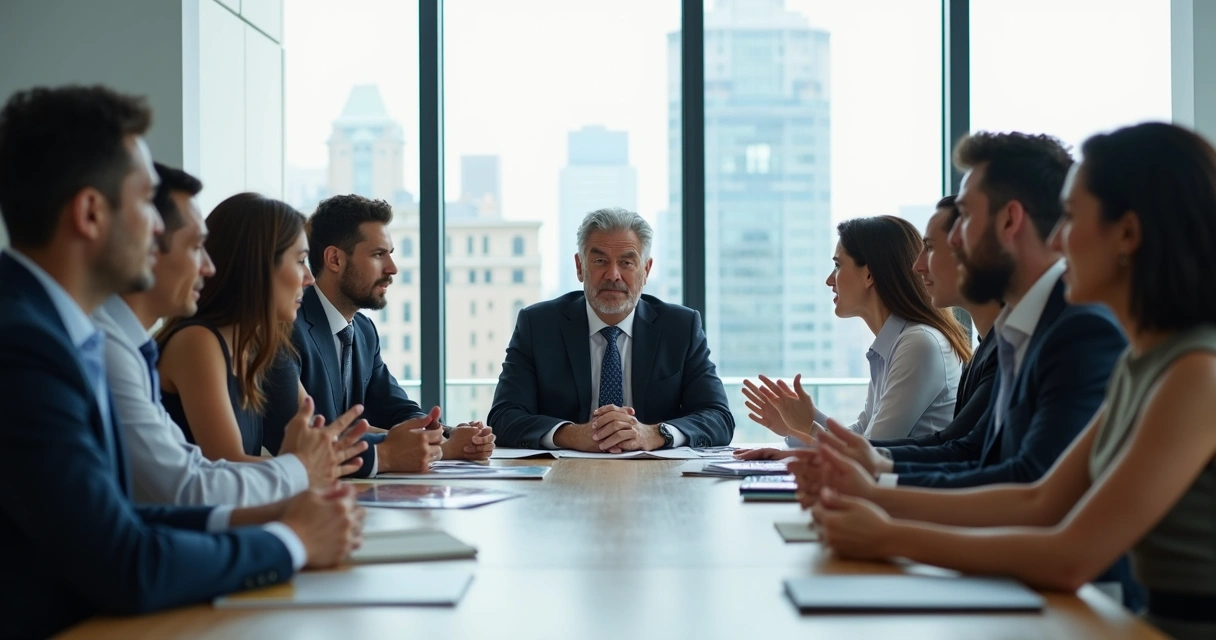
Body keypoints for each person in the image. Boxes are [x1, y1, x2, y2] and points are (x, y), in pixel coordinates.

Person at [804, 122, 1216, 639]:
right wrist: (874, 495)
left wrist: (889, 534)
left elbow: (1069, 554)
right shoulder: (1145, 362)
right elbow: (1038, 498)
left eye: (1070, 218)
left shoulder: (1194, 372)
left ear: (1128, 235)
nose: (1059, 237)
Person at [0, 85, 360, 638]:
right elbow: (124, 561)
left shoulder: (61, 332)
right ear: (92, 213)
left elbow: (122, 516)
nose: (159, 227)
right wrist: (291, 542)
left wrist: (277, 518)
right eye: (147, 202)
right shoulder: (23, 347)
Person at [93, 163, 368, 506]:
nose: (309, 278)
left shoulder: (259, 345)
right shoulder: (195, 342)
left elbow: (200, 472)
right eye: (299, 261)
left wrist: (306, 467)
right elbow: (213, 471)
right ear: (257, 267)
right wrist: (302, 469)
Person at [738, 198, 1000, 460]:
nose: (830, 279)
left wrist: (806, 427)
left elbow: (872, 448)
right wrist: (800, 424)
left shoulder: (918, 343)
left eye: (838, 265)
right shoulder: (895, 342)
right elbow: (863, 433)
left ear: (869, 275)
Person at [263, 194, 489, 478]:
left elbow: (394, 407)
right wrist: (441, 447)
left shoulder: (364, 331)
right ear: (334, 259)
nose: (392, 268)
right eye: (378, 254)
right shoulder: (286, 327)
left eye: (390, 253)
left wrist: (447, 432)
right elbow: (311, 436)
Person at [489, 207, 734, 451]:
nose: (613, 274)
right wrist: (573, 435)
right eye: (600, 261)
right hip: (563, 478)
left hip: (655, 477)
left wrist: (655, 434)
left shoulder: (680, 327)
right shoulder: (538, 325)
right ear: (580, 266)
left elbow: (718, 417)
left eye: (627, 262)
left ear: (645, 271)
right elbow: (503, 417)